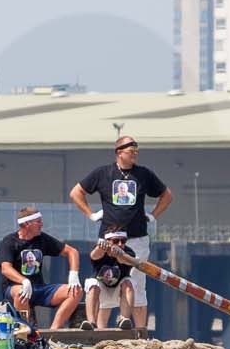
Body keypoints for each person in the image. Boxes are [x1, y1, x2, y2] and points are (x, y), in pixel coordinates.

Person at [69, 134, 171, 331]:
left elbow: (167, 195)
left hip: (137, 238)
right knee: (105, 281)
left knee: (137, 285)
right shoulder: (103, 173)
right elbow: (76, 192)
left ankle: (140, 332)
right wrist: (91, 214)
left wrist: (153, 215)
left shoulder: (144, 174)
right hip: (109, 239)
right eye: (131, 152)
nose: (134, 155)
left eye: (136, 152)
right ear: (119, 153)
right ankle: (100, 332)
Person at [0, 206, 83, 329]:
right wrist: (24, 281)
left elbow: (72, 252)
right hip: (14, 288)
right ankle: (25, 332)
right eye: (38, 222)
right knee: (21, 292)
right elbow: (5, 268)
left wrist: (73, 275)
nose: (41, 224)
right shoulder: (10, 241)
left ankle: (54, 330)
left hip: (39, 288)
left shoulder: (42, 239)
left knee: (76, 291)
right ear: (27, 224)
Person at [83, 230, 137, 329]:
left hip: (118, 293)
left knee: (128, 283)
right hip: (101, 292)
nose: (120, 244)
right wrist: (101, 248)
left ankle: (124, 320)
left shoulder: (128, 252)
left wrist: (120, 255)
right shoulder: (100, 250)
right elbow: (94, 256)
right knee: (93, 284)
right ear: (108, 241)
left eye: (123, 241)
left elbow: (129, 261)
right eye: (116, 241)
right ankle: (91, 322)